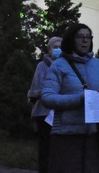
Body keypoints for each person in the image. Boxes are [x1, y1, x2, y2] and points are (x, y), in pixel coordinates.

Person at [41, 23, 99, 173]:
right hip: (66, 135)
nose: (85, 41)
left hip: (92, 135)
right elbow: (47, 97)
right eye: (80, 37)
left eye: (88, 37)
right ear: (71, 40)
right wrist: (80, 99)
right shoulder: (59, 65)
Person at [28, 36, 62, 173]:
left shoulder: (66, 65)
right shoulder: (42, 66)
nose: (58, 50)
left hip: (61, 113)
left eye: (61, 47)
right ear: (49, 49)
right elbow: (35, 89)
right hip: (44, 113)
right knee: (45, 148)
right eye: (55, 47)